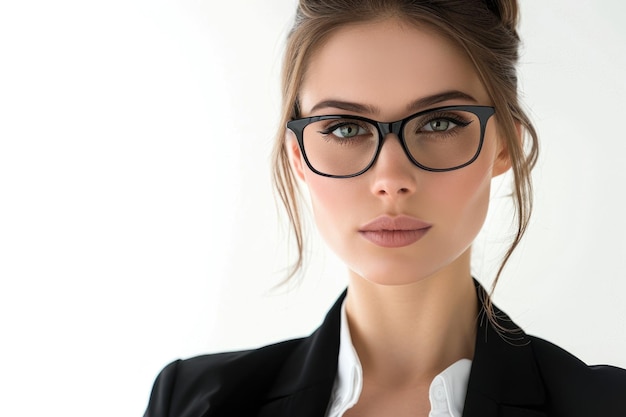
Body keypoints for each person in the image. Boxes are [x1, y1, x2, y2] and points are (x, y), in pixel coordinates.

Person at [143, 1, 626, 416]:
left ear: (505, 146)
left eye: (439, 123)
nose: (391, 180)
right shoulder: (194, 401)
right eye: (345, 129)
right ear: (299, 156)